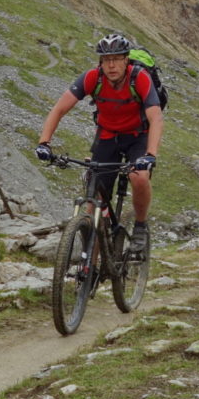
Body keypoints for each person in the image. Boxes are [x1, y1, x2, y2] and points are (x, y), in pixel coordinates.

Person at [36, 33, 163, 256]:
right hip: (107, 135)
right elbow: (59, 109)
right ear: (100, 62)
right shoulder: (92, 78)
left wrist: (150, 154)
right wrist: (44, 143)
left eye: (116, 59)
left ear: (126, 59)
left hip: (137, 135)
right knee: (94, 204)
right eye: (106, 60)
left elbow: (156, 118)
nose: (111, 65)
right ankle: (89, 269)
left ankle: (140, 227)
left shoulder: (140, 78)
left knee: (139, 176)